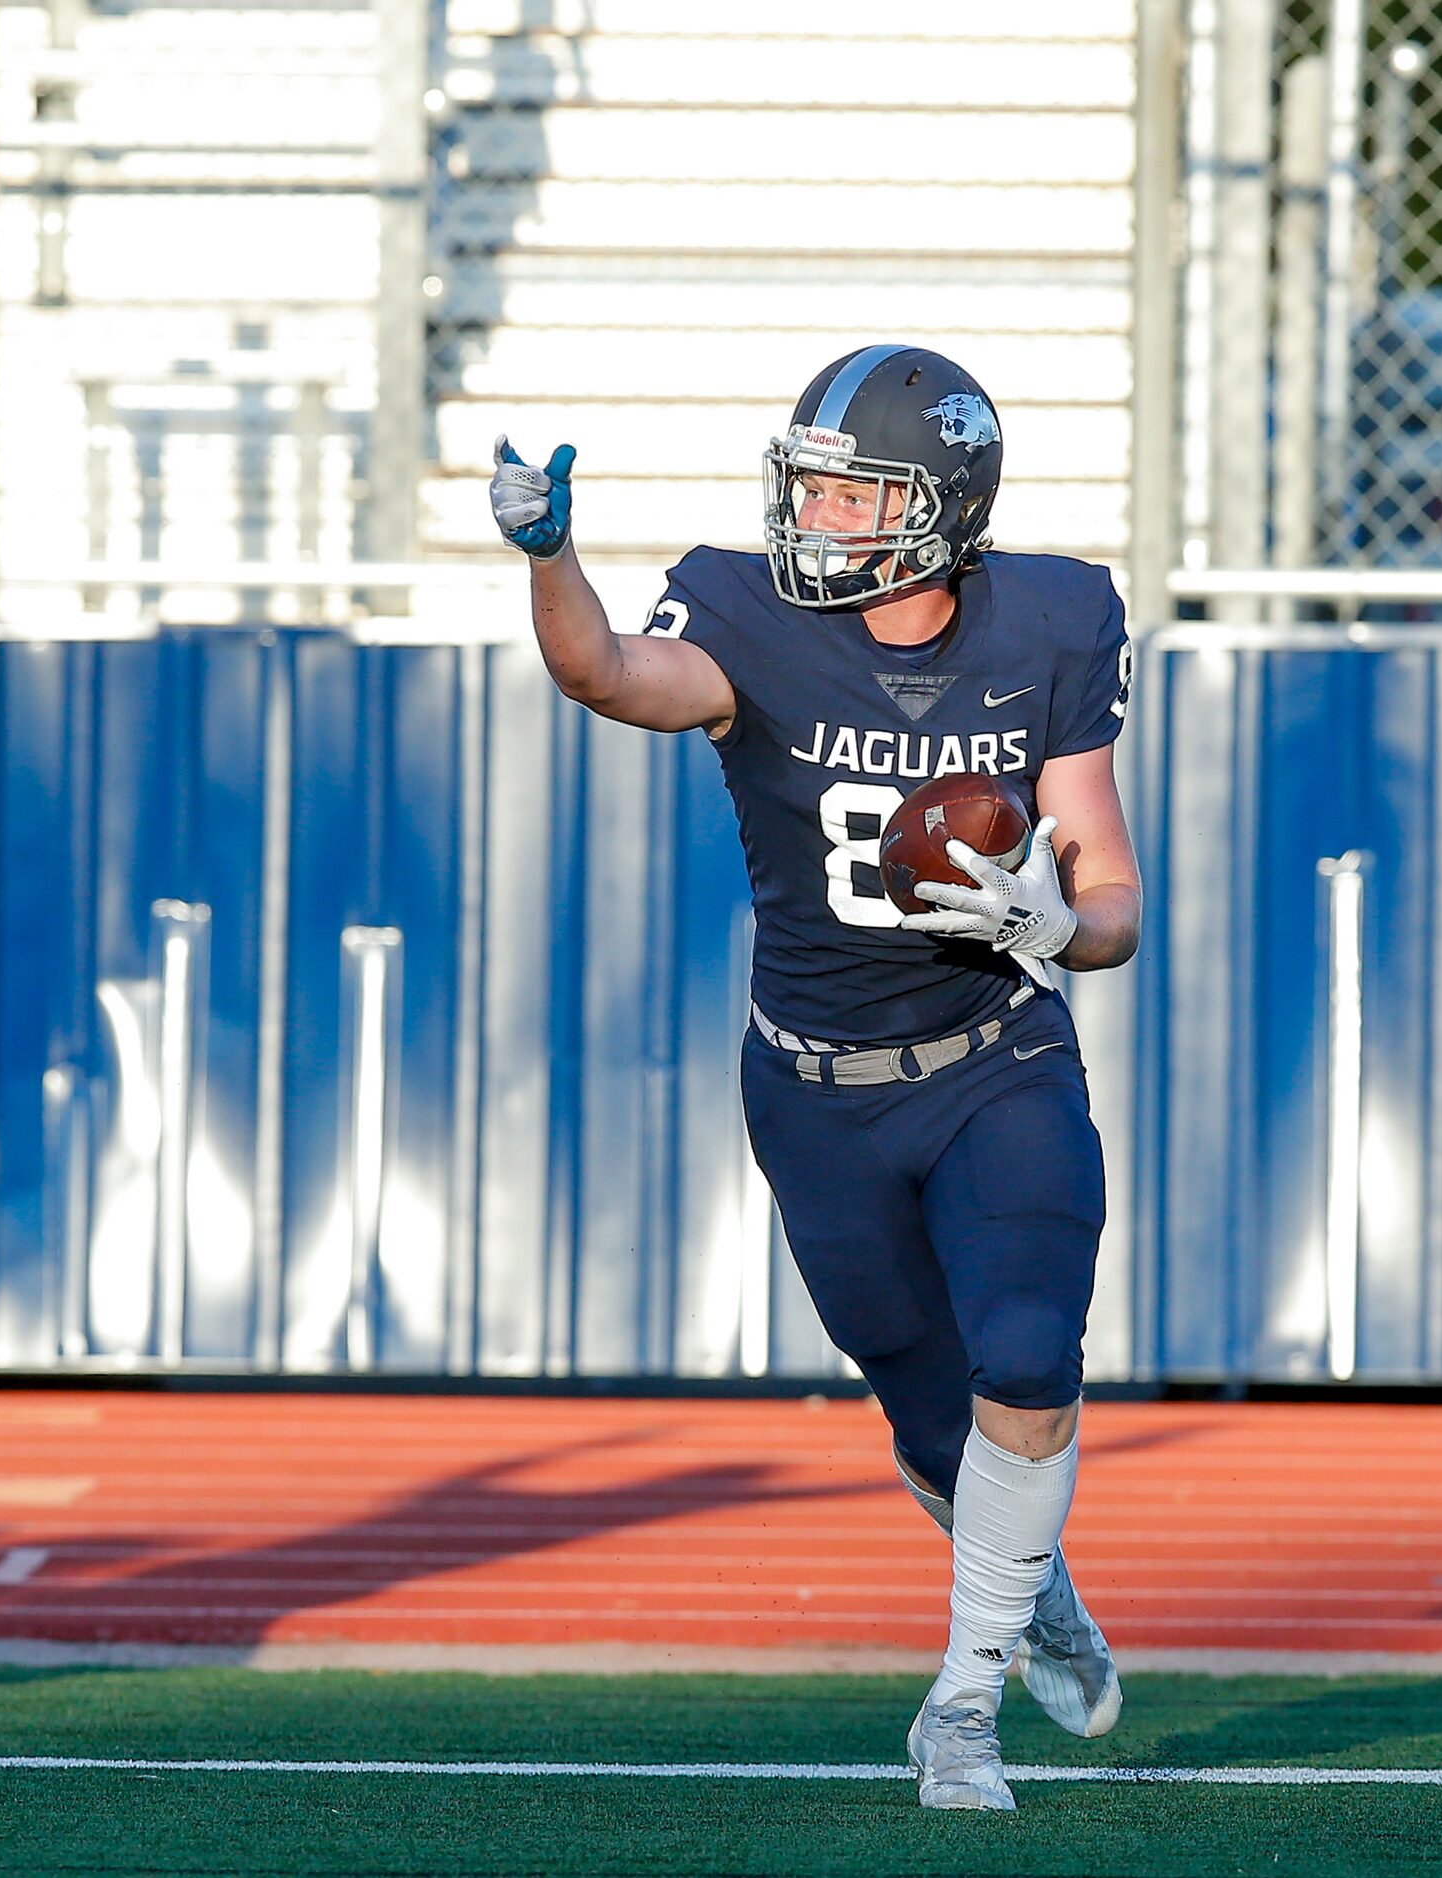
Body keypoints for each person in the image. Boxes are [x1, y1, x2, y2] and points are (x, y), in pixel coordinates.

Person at [491, 344, 1140, 1811]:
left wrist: (1055, 918)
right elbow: (602, 670)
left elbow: (1115, 901)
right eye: (816, 487)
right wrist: (551, 557)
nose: (820, 516)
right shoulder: (750, 614)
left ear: (941, 505)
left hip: (997, 1053)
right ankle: (1029, 1587)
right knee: (926, 1413)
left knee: (1030, 1356)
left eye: (854, 493)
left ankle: (962, 1706)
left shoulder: (1050, 618)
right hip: (817, 1084)